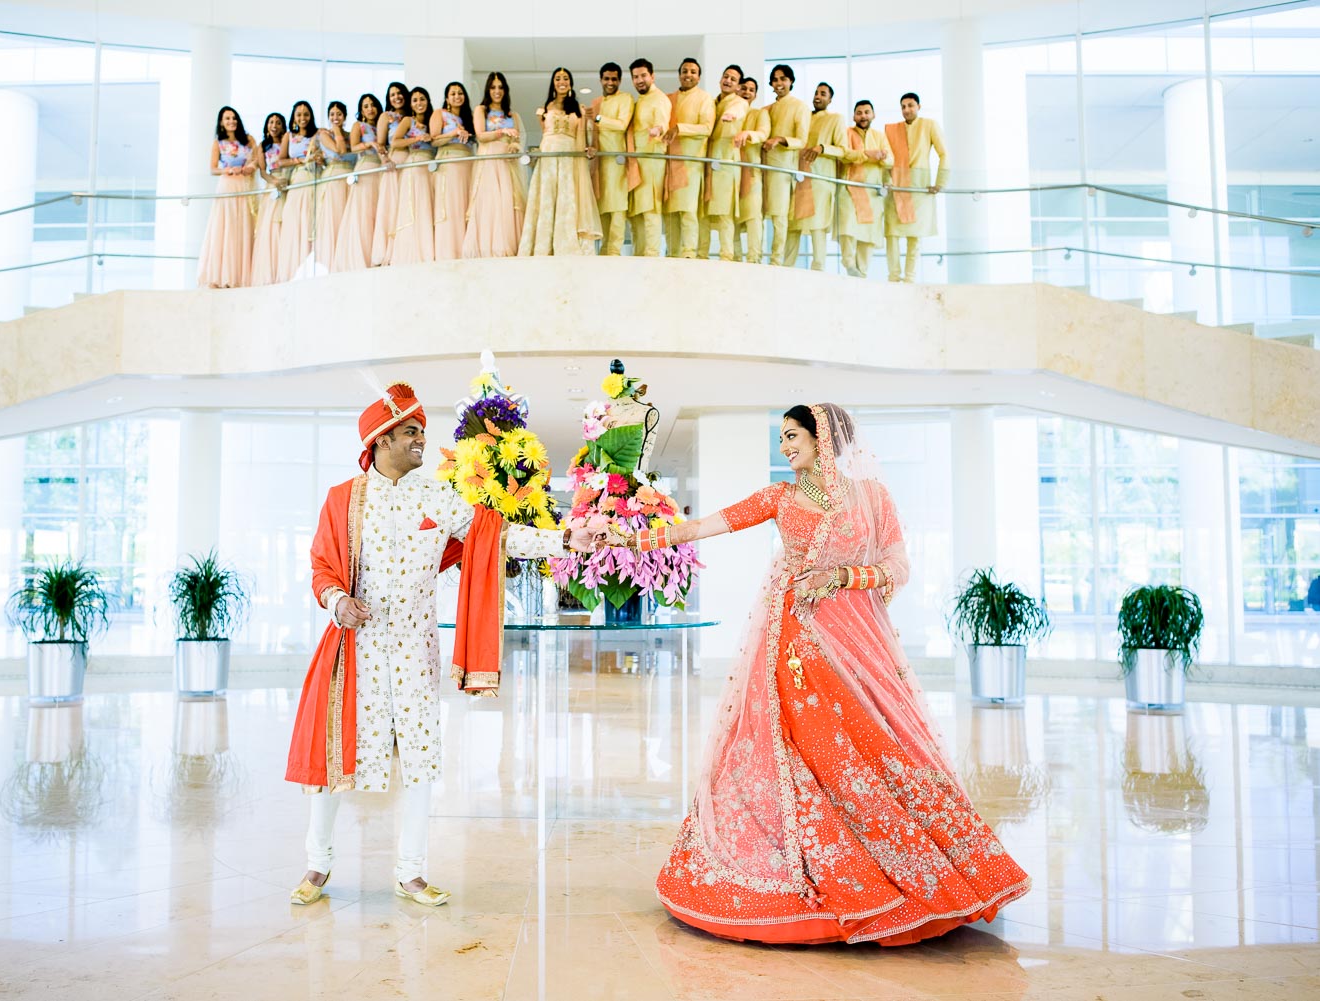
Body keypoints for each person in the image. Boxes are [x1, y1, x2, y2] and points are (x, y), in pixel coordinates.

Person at [623, 402, 1030, 944]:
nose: (785, 447)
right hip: (792, 639)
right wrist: (632, 540)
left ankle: (908, 865)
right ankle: (800, 866)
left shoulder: (872, 498)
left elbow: (898, 567)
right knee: (802, 745)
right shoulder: (779, 498)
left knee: (875, 744)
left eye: (793, 436)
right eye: (782, 438)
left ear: (824, 439)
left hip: (856, 641)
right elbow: (705, 526)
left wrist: (840, 575)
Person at [287, 381, 608, 907]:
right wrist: (337, 601)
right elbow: (322, 566)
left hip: (415, 652)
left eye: (421, 432)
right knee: (334, 760)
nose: (420, 441)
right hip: (356, 651)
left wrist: (566, 538)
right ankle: (317, 865)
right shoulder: (343, 500)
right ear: (380, 440)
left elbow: (496, 536)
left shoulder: (439, 497)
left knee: (419, 757)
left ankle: (411, 872)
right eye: (411, 432)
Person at [518, 67, 600, 256]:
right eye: (558, 78)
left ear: (570, 83)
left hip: (569, 157)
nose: (561, 81)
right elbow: (544, 136)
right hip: (548, 157)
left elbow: (587, 136)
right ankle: (543, 245)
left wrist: (590, 140)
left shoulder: (578, 110)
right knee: (547, 197)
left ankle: (566, 243)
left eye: (565, 78)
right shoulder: (543, 110)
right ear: (553, 83)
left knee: (567, 196)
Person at [884, 92, 949, 284]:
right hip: (896, 183)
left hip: (920, 186)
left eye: (910, 105)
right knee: (892, 233)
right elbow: (886, 159)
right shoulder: (892, 130)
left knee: (915, 235)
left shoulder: (929, 125)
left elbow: (944, 153)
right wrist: (886, 180)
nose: (906, 110)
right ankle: (894, 277)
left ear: (919, 106)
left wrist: (940, 182)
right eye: (903, 106)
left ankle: (910, 278)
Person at [463, 71, 527, 259]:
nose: (497, 91)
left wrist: (514, 146)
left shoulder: (512, 114)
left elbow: (518, 139)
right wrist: (502, 132)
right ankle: (486, 246)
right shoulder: (481, 110)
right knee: (489, 200)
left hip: (507, 162)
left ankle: (509, 245)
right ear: (488, 89)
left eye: (500, 87)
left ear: (505, 90)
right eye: (493, 87)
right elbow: (481, 135)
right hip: (488, 160)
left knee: (508, 199)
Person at [784, 82, 846, 271]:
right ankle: (786, 268)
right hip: (798, 177)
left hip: (820, 179)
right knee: (792, 224)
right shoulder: (804, 116)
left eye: (823, 94)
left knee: (817, 225)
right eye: (816, 93)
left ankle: (818, 268)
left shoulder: (835, 119)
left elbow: (843, 150)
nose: (818, 96)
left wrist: (822, 148)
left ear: (830, 99)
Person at [195, 106, 258, 289]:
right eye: (227, 118)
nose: (231, 121)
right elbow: (213, 168)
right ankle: (224, 274)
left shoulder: (249, 140)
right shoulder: (218, 143)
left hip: (245, 184)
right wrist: (229, 169)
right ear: (221, 122)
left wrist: (250, 167)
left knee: (244, 225)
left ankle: (242, 273)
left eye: (233, 117)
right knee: (227, 227)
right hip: (228, 185)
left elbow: (256, 159)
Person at [662, 57, 714, 260]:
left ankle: (689, 253)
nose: (688, 75)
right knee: (671, 211)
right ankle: (672, 252)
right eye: (685, 71)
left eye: (693, 72)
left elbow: (706, 128)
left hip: (691, 161)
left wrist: (679, 128)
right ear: (679, 74)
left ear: (699, 77)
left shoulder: (704, 98)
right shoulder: (669, 98)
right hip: (669, 160)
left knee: (688, 209)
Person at [699, 64, 748, 262]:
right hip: (707, 160)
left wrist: (731, 116)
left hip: (726, 162)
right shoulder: (712, 102)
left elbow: (739, 109)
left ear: (738, 86)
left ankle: (726, 255)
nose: (728, 81)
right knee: (702, 211)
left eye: (733, 79)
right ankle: (700, 254)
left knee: (724, 212)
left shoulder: (738, 102)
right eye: (725, 77)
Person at [761, 64, 809, 267]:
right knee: (760, 214)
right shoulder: (767, 109)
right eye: (775, 79)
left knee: (780, 216)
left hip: (783, 168)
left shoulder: (800, 106)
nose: (779, 83)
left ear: (791, 81)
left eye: (783, 79)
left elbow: (802, 140)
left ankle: (777, 262)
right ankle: (757, 258)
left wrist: (780, 139)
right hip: (763, 167)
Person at [837, 99, 891, 278]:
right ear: (853, 116)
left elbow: (890, 160)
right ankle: (849, 264)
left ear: (873, 115)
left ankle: (862, 273)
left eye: (867, 112)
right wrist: (869, 155)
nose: (863, 116)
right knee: (847, 227)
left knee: (868, 234)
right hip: (849, 187)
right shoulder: (846, 133)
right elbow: (845, 155)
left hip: (872, 191)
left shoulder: (879, 136)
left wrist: (882, 158)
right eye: (859, 113)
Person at [331, 93, 385, 273]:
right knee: (364, 211)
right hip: (366, 168)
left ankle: (378, 252)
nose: (370, 108)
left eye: (372, 105)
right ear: (361, 110)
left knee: (379, 210)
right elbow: (352, 147)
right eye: (366, 106)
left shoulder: (382, 125)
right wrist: (370, 145)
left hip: (382, 171)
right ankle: (362, 255)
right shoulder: (358, 126)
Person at [586, 62, 634, 255]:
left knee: (618, 208)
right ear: (600, 80)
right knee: (603, 208)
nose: (610, 82)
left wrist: (597, 118)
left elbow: (621, 125)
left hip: (617, 161)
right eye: (606, 78)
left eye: (614, 79)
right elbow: (591, 130)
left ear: (620, 81)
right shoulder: (596, 102)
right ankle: (604, 253)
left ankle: (614, 252)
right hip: (599, 163)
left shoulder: (626, 99)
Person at [626, 58, 671, 257]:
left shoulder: (659, 98)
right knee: (637, 212)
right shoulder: (639, 101)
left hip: (652, 158)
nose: (639, 80)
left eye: (643, 75)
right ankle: (638, 255)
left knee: (651, 209)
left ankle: (652, 256)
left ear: (652, 76)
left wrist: (658, 129)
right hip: (637, 160)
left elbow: (662, 121)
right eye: (635, 77)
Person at [389, 86, 437, 267]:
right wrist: (417, 139)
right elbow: (395, 141)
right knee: (416, 205)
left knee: (429, 204)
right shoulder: (408, 121)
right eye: (415, 100)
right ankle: (414, 250)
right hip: (415, 164)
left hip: (431, 166)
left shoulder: (434, 120)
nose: (419, 103)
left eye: (422, 99)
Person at [275, 100, 320, 281]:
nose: (303, 118)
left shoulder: (318, 134)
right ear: (294, 117)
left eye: (306, 114)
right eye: (299, 115)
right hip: (297, 179)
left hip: (314, 178)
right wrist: (300, 161)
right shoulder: (289, 136)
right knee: (294, 219)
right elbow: (281, 160)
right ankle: (292, 265)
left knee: (310, 217)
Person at [431, 81, 475, 261]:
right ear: (447, 98)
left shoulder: (469, 118)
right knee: (450, 205)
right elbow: (434, 141)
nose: (457, 96)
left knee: (466, 204)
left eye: (460, 93)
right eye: (453, 93)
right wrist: (453, 133)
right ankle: (449, 250)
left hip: (468, 164)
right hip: (448, 162)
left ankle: (467, 248)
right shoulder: (440, 114)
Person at [310, 100, 353, 274]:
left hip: (349, 177)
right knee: (333, 216)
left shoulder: (350, 134)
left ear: (345, 116)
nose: (335, 117)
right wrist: (336, 130)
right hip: (334, 176)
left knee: (347, 216)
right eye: (332, 115)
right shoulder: (324, 135)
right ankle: (332, 261)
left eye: (339, 114)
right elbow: (340, 150)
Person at [371, 81, 410, 267]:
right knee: (391, 205)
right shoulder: (386, 117)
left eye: (399, 93)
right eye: (392, 94)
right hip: (395, 162)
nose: (397, 97)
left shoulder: (413, 115)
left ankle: (406, 247)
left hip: (413, 163)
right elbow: (380, 143)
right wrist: (384, 160)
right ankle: (388, 250)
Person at [250, 111, 290, 285]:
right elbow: (263, 171)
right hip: (273, 185)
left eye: (278, 122)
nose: (274, 126)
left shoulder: (287, 142)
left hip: (288, 182)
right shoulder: (263, 146)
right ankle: (269, 269)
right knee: (270, 225)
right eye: (271, 122)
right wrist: (274, 182)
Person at [734, 77, 769, 264]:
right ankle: (735, 258)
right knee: (732, 216)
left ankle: (754, 258)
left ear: (755, 95)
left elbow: (764, 133)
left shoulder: (759, 114)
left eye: (751, 90)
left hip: (752, 170)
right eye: (744, 88)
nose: (747, 92)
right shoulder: (729, 110)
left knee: (754, 215)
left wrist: (748, 134)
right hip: (731, 170)